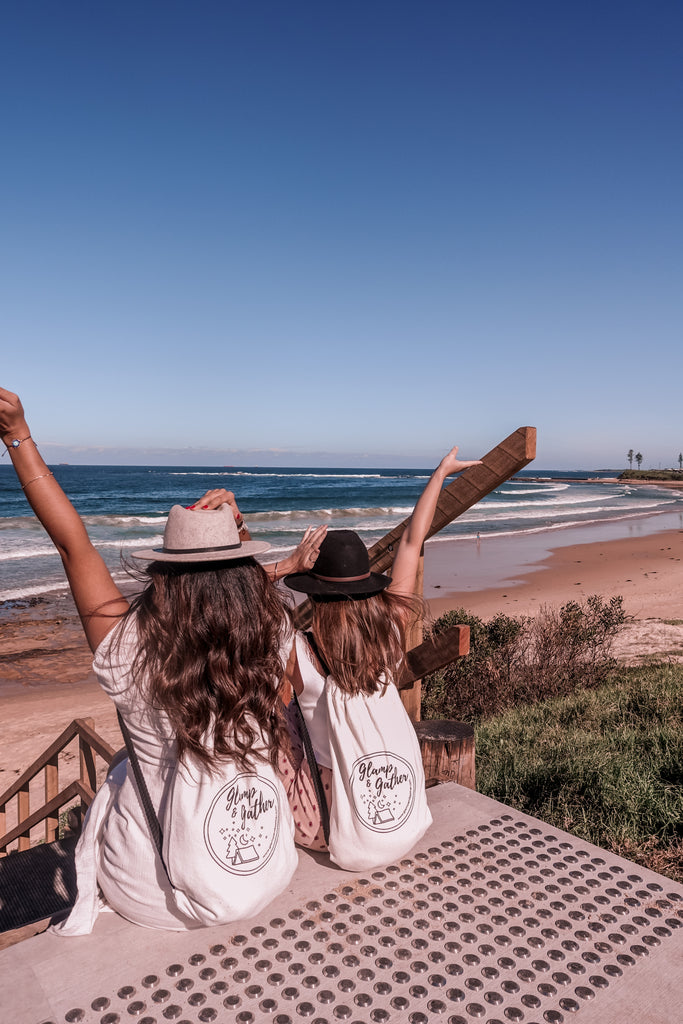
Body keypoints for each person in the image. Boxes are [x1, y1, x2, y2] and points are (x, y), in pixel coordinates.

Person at [0, 387, 324, 932]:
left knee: (123, 778)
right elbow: (246, 593)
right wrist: (237, 533)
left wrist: (17, 437)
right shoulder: (270, 640)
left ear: (165, 578)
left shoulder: (131, 652)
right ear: (246, 577)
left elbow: (73, 545)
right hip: (267, 866)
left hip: (158, 896)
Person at [279, 446, 482, 863]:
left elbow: (235, 597)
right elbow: (412, 539)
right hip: (399, 809)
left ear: (316, 595)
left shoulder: (298, 651)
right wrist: (440, 474)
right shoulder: (390, 629)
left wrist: (285, 564)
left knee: (276, 716)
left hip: (326, 822)